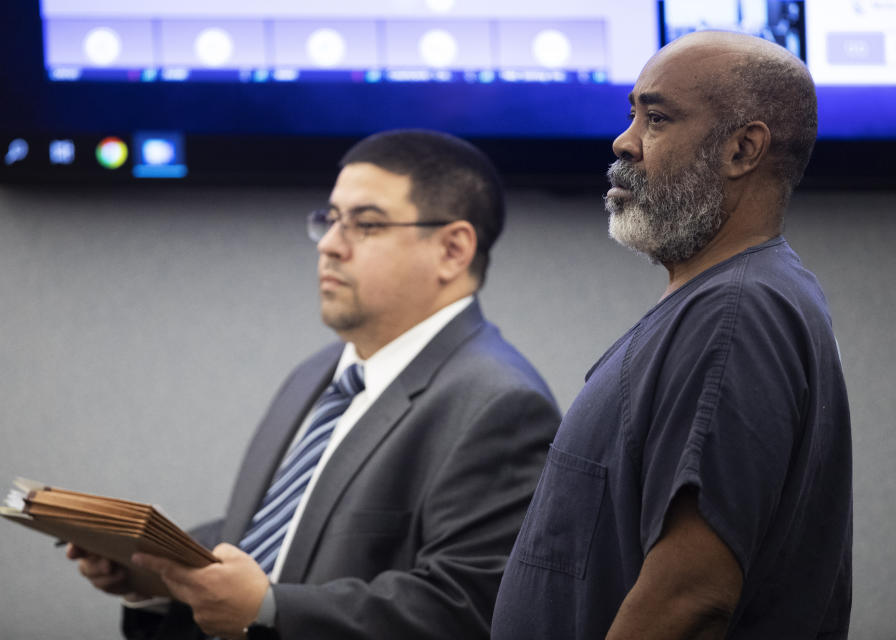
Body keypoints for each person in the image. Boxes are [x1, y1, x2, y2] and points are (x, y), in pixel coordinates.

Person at [69, 129, 561, 640]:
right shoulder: (320, 371)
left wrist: (268, 609)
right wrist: (153, 571)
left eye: (365, 225)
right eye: (330, 220)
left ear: (453, 249)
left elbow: (466, 609)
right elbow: (281, 538)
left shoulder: (502, 404)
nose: (329, 245)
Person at [492, 31, 852, 639]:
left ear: (742, 149)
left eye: (655, 118)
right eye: (631, 113)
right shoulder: (726, 301)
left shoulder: (738, 313)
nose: (623, 141)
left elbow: (690, 597)